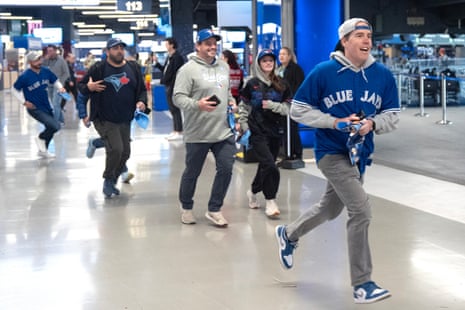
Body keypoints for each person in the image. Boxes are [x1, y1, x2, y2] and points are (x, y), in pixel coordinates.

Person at [275, 18, 400, 304]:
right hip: (331, 153)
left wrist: (372, 124)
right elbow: (299, 110)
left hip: (360, 154)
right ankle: (363, 283)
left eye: (369, 35)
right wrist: (335, 122)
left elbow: (392, 115)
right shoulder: (324, 72)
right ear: (345, 40)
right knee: (361, 210)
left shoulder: (382, 75)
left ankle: (289, 234)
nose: (366, 41)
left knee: (330, 209)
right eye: (359, 35)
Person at [173, 28, 236, 227]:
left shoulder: (223, 67)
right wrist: (197, 104)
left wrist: (232, 102)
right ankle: (186, 206)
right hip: (197, 132)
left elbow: (226, 93)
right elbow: (178, 97)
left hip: (223, 130)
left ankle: (214, 209)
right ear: (198, 46)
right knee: (192, 172)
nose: (212, 46)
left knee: (226, 168)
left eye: (214, 43)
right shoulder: (187, 70)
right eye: (207, 43)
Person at [78, 38, 147, 198]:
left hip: (125, 117)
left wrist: (141, 101)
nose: (119, 51)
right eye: (115, 48)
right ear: (107, 51)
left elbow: (141, 90)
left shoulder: (133, 68)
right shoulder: (98, 68)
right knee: (116, 149)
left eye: (121, 48)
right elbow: (81, 88)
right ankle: (108, 180)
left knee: (125, 153)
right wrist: (88, 88)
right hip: (103, 117)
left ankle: (113, 178)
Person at [238, 49, 292, 218]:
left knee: (264, 166)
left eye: (271, 61)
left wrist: (273, 106)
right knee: (270, 164)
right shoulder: (251, 83)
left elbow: (289, 108)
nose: (268, 63)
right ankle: (270, 200)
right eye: (264, 61)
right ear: (259, 64)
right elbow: (244, 106)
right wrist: (243, 125)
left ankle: (253, 191)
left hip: (276, 130)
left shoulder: (282, 84)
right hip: (257, 131)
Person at [12, 51, 67, 158]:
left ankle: (43, 150)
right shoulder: (25, 76)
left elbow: (55, 80)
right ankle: (40, 138)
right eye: (36, 60)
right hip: (34, 108)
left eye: (40, 59)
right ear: (30, 62)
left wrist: (60, 88)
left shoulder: (46, 71)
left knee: (50, 128)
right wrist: (24, 102)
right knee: (55, 126)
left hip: (46, 105)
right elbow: (14, 90)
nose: (39, 62)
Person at [154, 37, 185, 141]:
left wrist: (172, 85)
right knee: (172, 108)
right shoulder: (169, 57)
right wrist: (157, 63)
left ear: (172, 45)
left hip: (173, 86)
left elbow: (176, 73)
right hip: (168, 85)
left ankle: (179, 131)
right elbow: (165, 71)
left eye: (167, 44)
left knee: (175, 108)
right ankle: (176, 130)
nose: (165, 46)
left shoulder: (177, 57)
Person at [277, 47, 305, 161]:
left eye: (284, 54)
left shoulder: (295, 69)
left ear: (289, 56)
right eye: (280, 54)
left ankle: (296, 153)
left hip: (292, 103)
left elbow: (299, 85)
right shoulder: (279, 69)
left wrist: (292, 98)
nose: (281, 56)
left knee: (292, 128)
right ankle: (286, 152)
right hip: (281, 103)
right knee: (285, 128)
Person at [42, 45, 70, 125]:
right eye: (48, 51)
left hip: (58, 86)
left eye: (51, 51)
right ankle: (61, 120)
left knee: (55, 103)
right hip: (49, 85)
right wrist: (44, 59)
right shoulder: (47, 60)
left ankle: (55, 122)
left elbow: (66, 73)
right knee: (54, 104)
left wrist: (60, 82)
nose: (49, 53)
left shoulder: (61, 60)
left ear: (55, 51)